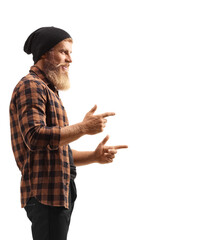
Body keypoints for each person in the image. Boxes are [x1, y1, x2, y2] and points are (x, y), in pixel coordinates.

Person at [9, 26, 128, 240]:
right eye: (64, 52)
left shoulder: (48, 90)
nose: (70, 60)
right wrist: (83, 128)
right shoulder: (31, 86)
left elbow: (57, 151)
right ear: (45, 52)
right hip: (46, 195)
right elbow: (35, 137)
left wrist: (94, 156)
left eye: (70, 53)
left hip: (58, 193)